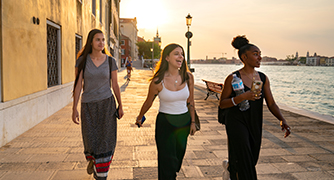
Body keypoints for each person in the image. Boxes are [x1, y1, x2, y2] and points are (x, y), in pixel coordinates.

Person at [219, 35, 291, 180]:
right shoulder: (233, 78)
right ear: (244, 57)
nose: (259, 58)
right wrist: (242, 97)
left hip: (254, 121)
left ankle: (231, 168)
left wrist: (282, 120)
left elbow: (271, 103)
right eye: (255, 54)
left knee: (251, 158)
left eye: (260, 55)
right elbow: (222, 103)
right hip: (236, 121)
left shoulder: (263, 78)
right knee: (245, 157)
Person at [135, 43, 197, 180]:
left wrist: (193, 122)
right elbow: (148, 102)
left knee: (177, 159)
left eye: (182, 54)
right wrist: (140, 116)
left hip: (184, 122)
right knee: (166, 160)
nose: (180, 56)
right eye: (176, 53)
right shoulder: (158, 81)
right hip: (165, 123)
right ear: (167, 58)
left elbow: (191, 102)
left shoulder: (188, 77)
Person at [72, 29, 124, 180]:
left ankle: (101, 174)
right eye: (97, 40)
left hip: (107, 104)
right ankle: (92, 160)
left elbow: (115, 84)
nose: (101, 43)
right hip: (88, 105)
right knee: (90, 139)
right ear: (91, 42)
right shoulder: (82, 61)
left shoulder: (110, 61)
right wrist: (74, 108)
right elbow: (77, 86)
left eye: (103, 40)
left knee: (106, 140)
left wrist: (120, 105)